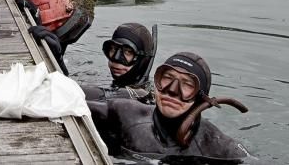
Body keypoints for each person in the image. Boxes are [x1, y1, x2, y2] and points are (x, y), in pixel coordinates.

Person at [88, 51, 250, 163]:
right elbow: (73, 103)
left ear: (201, 98)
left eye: (187, 84)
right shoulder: (124, 113)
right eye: (167, 78)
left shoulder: (219, 147)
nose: (172, 91)